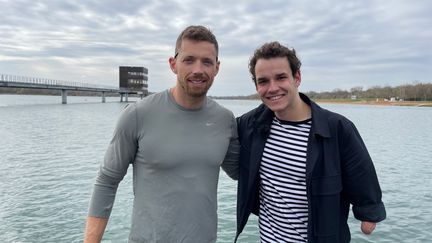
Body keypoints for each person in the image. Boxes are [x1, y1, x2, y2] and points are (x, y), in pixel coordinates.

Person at [83, 25, 239, 243]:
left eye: (207, 62)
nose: (198, 69)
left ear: (217, 68)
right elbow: (107, 181)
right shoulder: (138, 114)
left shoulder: (225, 120)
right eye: (189, 59)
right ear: (173, 64)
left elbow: (241, 171)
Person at [235, 41, 386, 243]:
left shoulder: (337, 128)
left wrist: (369, 210)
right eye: (263, 81)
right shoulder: (250, 124)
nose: (272, 88)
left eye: (281, 77)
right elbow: (217, 129)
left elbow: (361, 172)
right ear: (256, 86)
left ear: (297, 77)